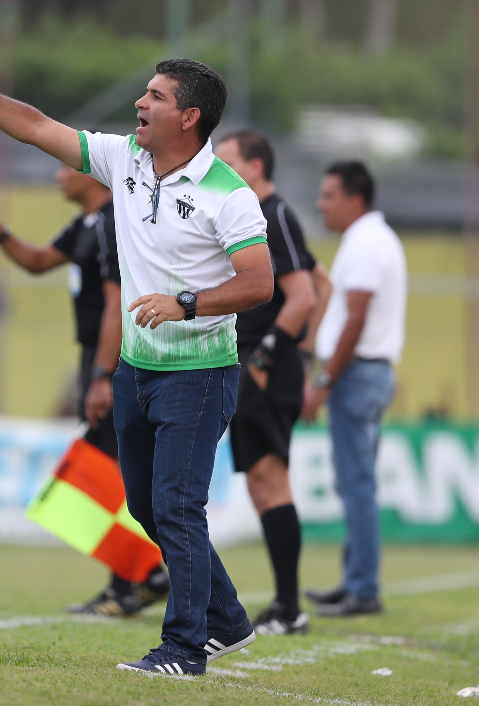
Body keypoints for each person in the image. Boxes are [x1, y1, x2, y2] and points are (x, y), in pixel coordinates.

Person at [0, 57, 273, 676]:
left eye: (155, 96)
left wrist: (185, 303)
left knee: (178, 506)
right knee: (145, 506)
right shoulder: (122, 160)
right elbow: (34, 126)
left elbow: (260, 283)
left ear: (188, 117)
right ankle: (230, 618)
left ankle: (184, 649)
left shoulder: (229, 195)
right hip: (136, 370)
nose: (140, 102)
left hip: (201, 373)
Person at [0, 163, 168, 618]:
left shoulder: (110, 224)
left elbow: (115, 306)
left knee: (110, 471)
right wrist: (2, 235)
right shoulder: (85, 224)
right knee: (105, 471)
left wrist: (103, 377)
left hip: (113, 360)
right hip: (94, 358)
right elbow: (39, 262)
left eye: (67, 167)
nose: (58, 175)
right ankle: (138, 577)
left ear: (96, 176)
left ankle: (135, 581)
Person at [215, 130, 324, 637]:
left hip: (264, 367)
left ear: (255, 167)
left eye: (229, 161)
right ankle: (286, 604)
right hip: (257, 364)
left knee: (270, 481)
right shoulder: (260, 217)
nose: (219, 169)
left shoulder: (273, 212)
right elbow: (323, 280)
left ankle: (289, 607)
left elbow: (304, 295)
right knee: (262, 484)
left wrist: (271, 354)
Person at [301, 161, 406, 618]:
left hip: (355, 375)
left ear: (354, 198)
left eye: (329, 196)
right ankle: (354, 582)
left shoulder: (365, 243)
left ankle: (363, 588)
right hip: (369, 373)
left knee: (357, 484)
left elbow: (357, 317)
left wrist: (324, 380)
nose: (321, 204)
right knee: (355, 483)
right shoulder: (371, 239)